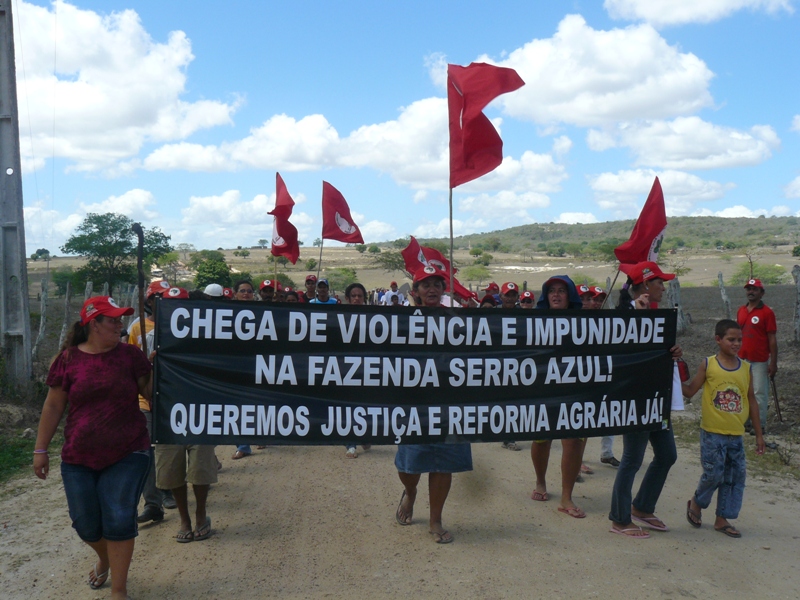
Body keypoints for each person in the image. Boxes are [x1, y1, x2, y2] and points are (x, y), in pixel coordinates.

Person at [33, 296, 152, 598]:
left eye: (120, 319)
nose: (120, 325)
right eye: (112, 320)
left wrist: (159, 370)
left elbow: (153, 396)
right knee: (85, 524)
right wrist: (40, 449)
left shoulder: (130, 356)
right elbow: (53, 406)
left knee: (119, 517)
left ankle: (119, 592)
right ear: (93, 324)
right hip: (78, 455)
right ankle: (104, 559)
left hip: (129, 450)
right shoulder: (68, 359)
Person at [395, 265, 472, 544]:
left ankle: (436, 518)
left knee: (444, 461)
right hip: (413, 403)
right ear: (415, 292)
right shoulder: (399, 322)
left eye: (437, 284)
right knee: (409, 463)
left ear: (444, 290)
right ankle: (411, 492)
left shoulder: (459, 321)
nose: (432, 289)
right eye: (425, 284)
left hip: (450, 402)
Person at [609, 261, 682, 538]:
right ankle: (619, 518)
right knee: (632, 458)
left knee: (667, 455)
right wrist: (638, 321)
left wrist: (673, 351)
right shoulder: (621, 315)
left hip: (656, 397)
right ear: (644, 285)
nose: (663, 287)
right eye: (659, 282)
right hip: (635, 399)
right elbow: (625, 352)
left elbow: (655, 352)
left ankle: (642, 506)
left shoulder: (656, 315)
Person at [682, 319, 765, 538]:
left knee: (734, 478)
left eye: (739, 339)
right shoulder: (708, 364)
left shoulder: (745, 368)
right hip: (712, 433)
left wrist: (758, 434)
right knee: (714, 474)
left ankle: (722, 518)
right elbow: (690, 391)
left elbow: (751, 401)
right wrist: (670, 374)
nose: (736, 343)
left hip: (736, 435)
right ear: (718, 340)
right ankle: (698, 503)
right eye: (731, 339)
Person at [153, 287, 218, 543]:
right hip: (168, 413)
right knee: (172, 469)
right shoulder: (152, 337)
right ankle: (184, 517)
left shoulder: (209, 336)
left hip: (201, 410)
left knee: (201, 467)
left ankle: (200, 513)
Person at [530, 276, 587, 517]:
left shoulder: (586, 324)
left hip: (574, 390)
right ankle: (540, 482)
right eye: (551, 291)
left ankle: (566, 496)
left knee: (573, 441)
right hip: (542, 388)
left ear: (570, 296)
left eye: (561, 291)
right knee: (541, 439)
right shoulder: (532, 322)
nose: (556, 295)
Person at [129, 281, 174, 524]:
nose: (164, 301)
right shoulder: (137, 327)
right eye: (159, 297)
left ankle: (169, 488)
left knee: (170, 447)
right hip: (145, 397)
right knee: (146, 449)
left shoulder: (185, 324)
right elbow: (130, 362)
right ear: (149, 301)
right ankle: (153, 502)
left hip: (173, 398)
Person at [736, 278, 777, 436]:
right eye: (748, 289)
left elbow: (772, 338)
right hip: (741, 359)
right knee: (742, 391)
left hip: (759, 360)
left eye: (754, 289)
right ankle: (744, 422)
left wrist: (773, 363)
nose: (750, 292)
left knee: (759, 392)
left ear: (762, 292)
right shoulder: (741, 310)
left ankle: (759, 425)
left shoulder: (767, 312)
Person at [342, 282, 373, 458]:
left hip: (366, 368)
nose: (356, 299)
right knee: (348, 406)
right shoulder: (339, 317)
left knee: (366, 404)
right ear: (347, 298)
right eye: (353, 296)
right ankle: (350, 443)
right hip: (346, 369)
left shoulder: (373, 317)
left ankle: (365, 435)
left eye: (359, 296)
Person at [232, 280, 257, 459]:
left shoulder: (263, 314)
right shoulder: (226, 314)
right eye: (242, 291)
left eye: (249, 291)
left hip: (260, 366)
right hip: (236, 368)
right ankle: (243, 445)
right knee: (237, 407)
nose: (246, 294)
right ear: (235, 293)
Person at [498, 282, 522, 451]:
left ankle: (509, 436)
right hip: (498, 364)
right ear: (501, 296)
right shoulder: (491, 315)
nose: (509, 298)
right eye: (507, 295)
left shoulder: (523, 316)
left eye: (513, 295)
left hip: (518, 364)